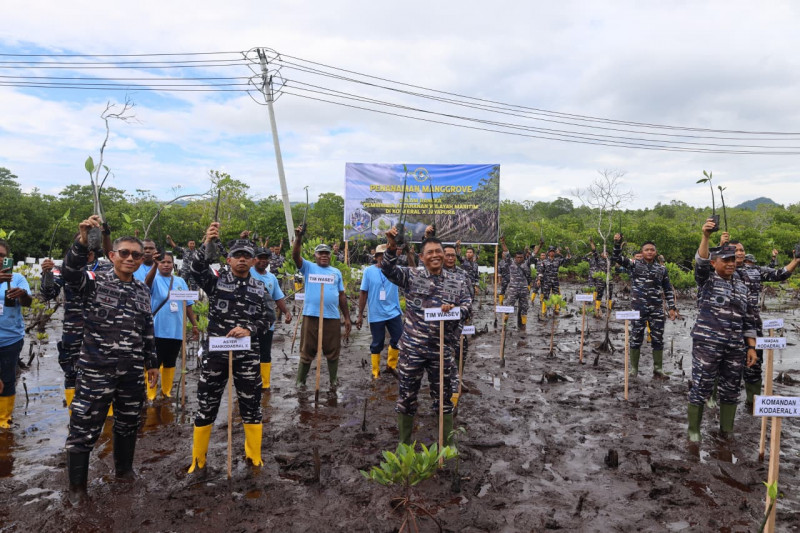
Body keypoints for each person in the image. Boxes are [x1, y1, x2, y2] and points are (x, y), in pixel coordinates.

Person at [62, 215, 157, 502]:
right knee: (84, 428)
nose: (130, 258)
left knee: (128, 422)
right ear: (112, 255)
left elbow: (147, 328)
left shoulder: (141, 289)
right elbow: (70, 273)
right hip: (96, 370)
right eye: (124, 253)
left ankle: (124, 472)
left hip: (131, 372)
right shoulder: (94, 280)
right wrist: (82, 241)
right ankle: (77, 490)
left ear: (141, 260)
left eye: (136, 255)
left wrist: (151, 363)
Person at [187, 227, 271, 474]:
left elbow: (268, 317)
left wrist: (249, 329)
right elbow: (196, 269)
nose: (242, 259)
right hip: (216, 356)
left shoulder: (260, 288)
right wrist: (206, 243)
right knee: (206, 404)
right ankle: (198, 460)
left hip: (247, 356)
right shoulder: (216, 282)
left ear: (253, 261)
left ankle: (254, 456)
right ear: (229, 260)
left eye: (247, 255)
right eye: (237, 255)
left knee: (251, 405)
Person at [381, 226, 472, 446]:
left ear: (444, 254)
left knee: (444, 398)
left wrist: (456, 310)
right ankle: (404, 447)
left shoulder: (456, 281)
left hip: (441, 350)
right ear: (421, 257)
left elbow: (468, 306)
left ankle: (446, 447)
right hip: (412, 350)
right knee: (407, 397)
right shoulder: (411, 276)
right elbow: (388, 269)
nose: (435, 255)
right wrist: (392, 246)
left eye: (438, 251)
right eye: (429, 252)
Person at [688, 219, 758, 441]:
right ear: (714, 262)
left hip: (735, 348)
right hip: (707, 345)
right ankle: (694, 431)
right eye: (725, 260)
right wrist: (706, 236)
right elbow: (700, 261)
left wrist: (751, 348)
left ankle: (726, 430)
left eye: (732, 260)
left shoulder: (742, 287)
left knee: (731, 390)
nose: (730, 264)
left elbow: (749, 320)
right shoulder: (707, 280)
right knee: (701, 386)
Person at [719, 232, 799, 407]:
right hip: (726, 326)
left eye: (741, 250)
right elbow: (705, 266)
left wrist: (796, 261)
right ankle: (717, 400)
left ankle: (752, 403)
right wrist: (719, 245)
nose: (739, 253)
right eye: (735, 250)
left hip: (753, 325)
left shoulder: (754, 270)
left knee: (754, 365)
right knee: (722, 365)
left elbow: (780, 274)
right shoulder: (721, 270)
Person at [40, 238, 113, 412]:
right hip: (74, 330)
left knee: (105, 370)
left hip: (102, 330)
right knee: (71, 371)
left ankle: (107, 415)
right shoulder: (63, 269)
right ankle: (74, 415)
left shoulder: (107, 267)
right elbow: (48, 293)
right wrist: (47, 274)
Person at [292, 228, 351, 388]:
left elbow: (342, 295)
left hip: (332, 316)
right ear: (315, 256)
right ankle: (300, 381)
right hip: (311, 315)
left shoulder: (336, 272)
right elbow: (295, 256)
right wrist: (298, 238)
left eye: (326, 253)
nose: (324, 255)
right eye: (320, 253)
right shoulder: (308, 267)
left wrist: (347, 317)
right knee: (307, 349)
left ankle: (333, 380)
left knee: (333, 349)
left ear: (330, 256)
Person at [612, 234, 677, 379]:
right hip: (638, 308)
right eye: (646, 250)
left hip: (656, 309)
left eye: (652, 250)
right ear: (642, 252)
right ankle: (634, 369)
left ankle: (658, 369)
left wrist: (671, 307)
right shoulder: (634, 264)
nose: (649, 252)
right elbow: (617, 258)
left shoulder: (662, 269)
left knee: (657, 338)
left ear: (656, 252)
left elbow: (667, 289)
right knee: (636, 337)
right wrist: (617, 243)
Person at [144, 252, 199, 400]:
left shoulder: (180, 281)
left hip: (176, 330)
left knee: (171, 361)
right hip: (158, 330)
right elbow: (146, 284)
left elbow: (188, 305)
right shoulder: (154, 279)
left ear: (173, 264)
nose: (166, 265)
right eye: (162, 262)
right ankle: (151, 393)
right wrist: (154, 265)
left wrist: (194, 325)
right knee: (154, 362)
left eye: (169, 262)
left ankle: (166, 391)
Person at [356, 244, 402, 380]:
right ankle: (375, 371)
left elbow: (412, 272)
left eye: (385, 255)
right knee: (377, 343)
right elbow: (363, 292)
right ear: (376, 257)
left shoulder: (395, 270)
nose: (383, 258)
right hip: (376, 314)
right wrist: (360, 315)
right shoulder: (368, 272)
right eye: (380, 256)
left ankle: (391, 366)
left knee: (399, 338)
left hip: (393, 312)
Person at [0, 240, 33, 428]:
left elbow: (28, 303)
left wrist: (22, 294)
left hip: (10, 339)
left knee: (8, 378)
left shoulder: (17, 278)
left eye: (2, 255)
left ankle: (4, 420)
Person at [250, 247, 292, 390]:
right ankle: (249, 382)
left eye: (266, 258)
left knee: (265, 353)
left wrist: (286, 311)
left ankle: (265, 383)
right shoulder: (248, 272)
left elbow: (278, 297)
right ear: (254, 259)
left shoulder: (272, 278)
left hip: (267, 323)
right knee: (248, 353)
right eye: (260, 258)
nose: (263, 261)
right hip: (249, 323)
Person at [499, 236, 533, 329]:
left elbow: (534, 254)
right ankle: (504, 324)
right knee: (508, 306)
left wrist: (540, 245)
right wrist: (503, 242)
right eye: (518, 257)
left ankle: (523, 326)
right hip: (513, 289)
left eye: (521, 257)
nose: (519, 259)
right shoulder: (511, 263)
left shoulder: (526, 263)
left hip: (523, 289)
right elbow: (506, 252)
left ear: (523, 257)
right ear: (515, 257)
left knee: (524, 308)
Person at [534, 244, 571, 315]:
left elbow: (568, 258)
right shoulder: (544, 261)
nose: (552, 253)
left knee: (556, 295)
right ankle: (543, 311)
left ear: (555, 252)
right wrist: (539, 280)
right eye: (550, 251)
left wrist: (568, 251)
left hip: (555, 281)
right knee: (545, 296)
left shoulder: (558, 260)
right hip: (546, 281)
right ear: (548, 252)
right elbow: (541, 271)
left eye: (553, 251)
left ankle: (556, 310)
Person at [587, 237, 613, 315]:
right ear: (601, 254)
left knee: (610, 294)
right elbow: (595, 251)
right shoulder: (598, 259)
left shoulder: (610, 260)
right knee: (599, 294)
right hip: (600, 280)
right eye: (604, 253)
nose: (605, 254)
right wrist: (591, 243)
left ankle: (609, 308)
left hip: (609, 279)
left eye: (606, 253)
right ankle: (597, 308)